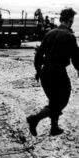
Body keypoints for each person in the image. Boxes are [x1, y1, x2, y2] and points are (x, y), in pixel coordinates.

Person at [27, 8, 79, 136]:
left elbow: (38, 55)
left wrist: (38, 71)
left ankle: (54, 128)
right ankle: (35, 119)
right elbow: (76, 59)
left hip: (45, 73)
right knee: (62, 100)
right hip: (58, 73)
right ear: (70, 21)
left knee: (54, 100)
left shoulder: (49, 33)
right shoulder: (70, 36)